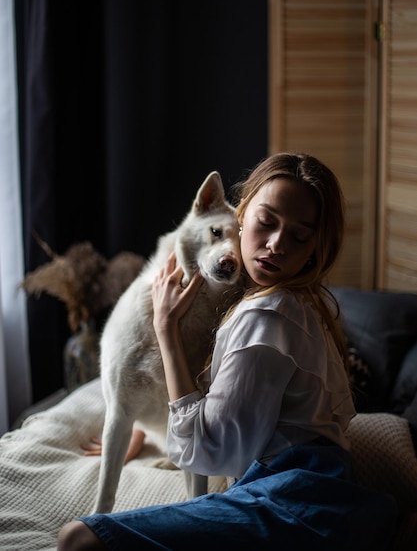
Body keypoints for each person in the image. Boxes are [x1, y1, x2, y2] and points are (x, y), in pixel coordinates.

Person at [58, 152, 397, 551]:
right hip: (319, 488)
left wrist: (165, 329)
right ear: (242, 212)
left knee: (77, 538)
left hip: (292, 500)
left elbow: (207, 453)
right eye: (267, 222)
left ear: (315, 248)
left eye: (299, 236)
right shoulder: (297, 301)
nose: (275, 246)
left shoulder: (266, 317)